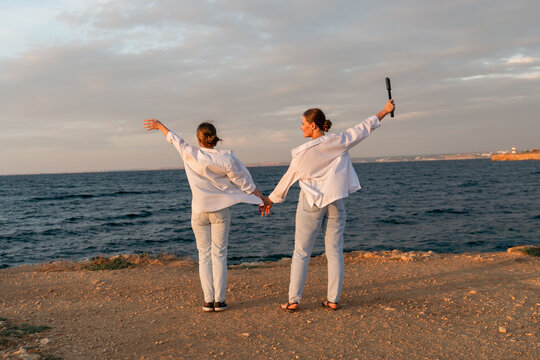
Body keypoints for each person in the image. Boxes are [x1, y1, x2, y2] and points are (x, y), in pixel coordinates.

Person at [264, 99, 395, 311]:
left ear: (313, 125)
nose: (301, 127)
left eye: (303, 123)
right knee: (334, 250)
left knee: (301, 252)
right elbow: (362, 129)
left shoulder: (302, 153)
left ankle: (293, 300)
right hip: (335, 201)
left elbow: (287, 179)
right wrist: (385, 111)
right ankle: (333, 299)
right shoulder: (338, 140)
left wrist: (270, 200)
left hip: (311, 202)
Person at [143, 119, 272, 312]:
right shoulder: (227, 159)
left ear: (199, 139)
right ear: (214, 139)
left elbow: (173, 139)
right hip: (219, 212)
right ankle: (219, 301)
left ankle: (207, 300)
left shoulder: (190, 153)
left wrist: (159, 125)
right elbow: (245, 183)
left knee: (204, 256)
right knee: (219, 254)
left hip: (199, 212)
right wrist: (262, 198)